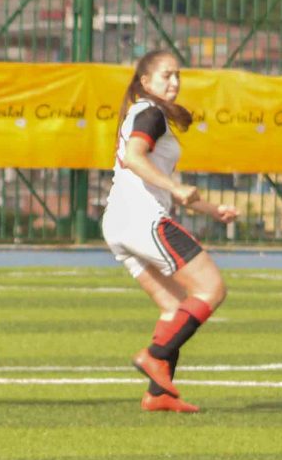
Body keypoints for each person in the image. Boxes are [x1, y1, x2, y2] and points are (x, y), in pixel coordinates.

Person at [103, 47, 240, 413]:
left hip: (120, 219)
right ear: (145, 81)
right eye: (166, 75)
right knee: (211, 289)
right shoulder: (150, 113)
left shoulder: (144, 113)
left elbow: (155, 179)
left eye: (178, 75)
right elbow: (135, 158)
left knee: (175, 305)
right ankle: (155, 354)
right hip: (141, 217)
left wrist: (212, 210)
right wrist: (176, 189)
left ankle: (158, 394)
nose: (175, 82)